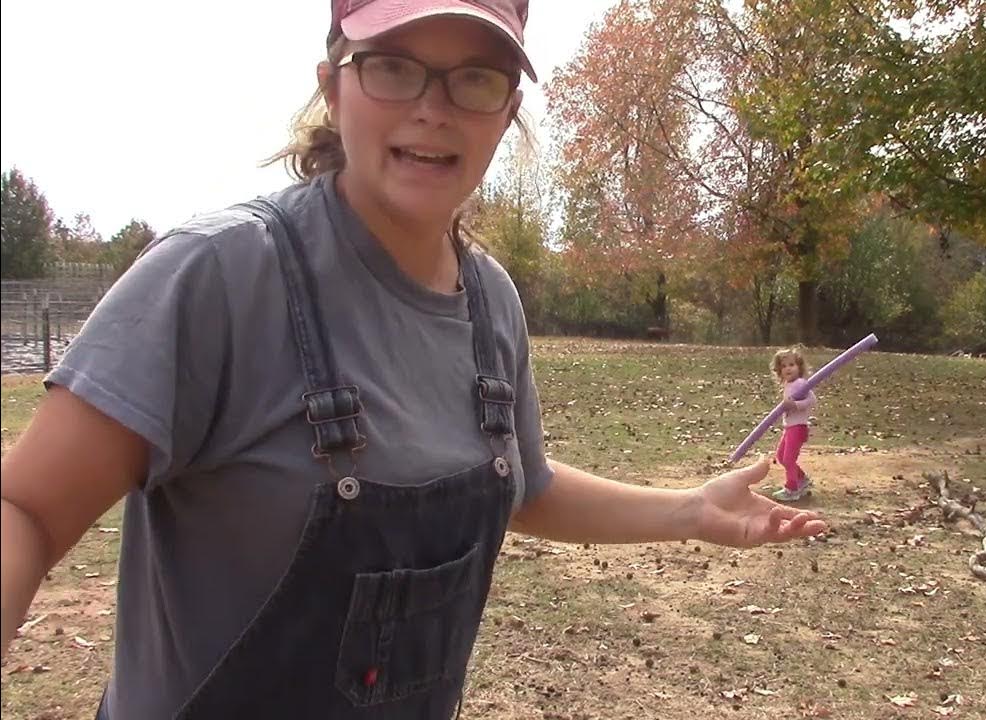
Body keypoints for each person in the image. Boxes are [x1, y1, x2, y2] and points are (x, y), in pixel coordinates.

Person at [0, 1, 826, 717]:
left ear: (507, 113)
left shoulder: (491, 304)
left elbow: (523, 486)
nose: (434, 109)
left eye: (475, 79)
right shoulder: (219, 277)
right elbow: (27, 511)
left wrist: (688, 511)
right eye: (393, 67)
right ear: (333, 86)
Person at [770, 347, 817, 502]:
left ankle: (792, 489)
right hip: (790, 427)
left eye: (791, 364)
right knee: (781, 457)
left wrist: (795, 405)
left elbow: (812, 400)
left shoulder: (800, 383)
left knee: (788, 459)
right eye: (783, 366)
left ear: (799, 366)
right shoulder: (789, 384)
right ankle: (801, 479)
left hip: (798, 427)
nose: (787, 368)